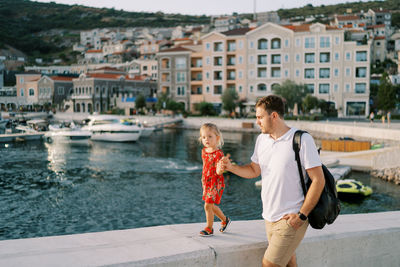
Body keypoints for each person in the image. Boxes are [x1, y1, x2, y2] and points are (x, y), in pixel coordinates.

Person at [220, 95, 325, 267]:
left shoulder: (301, 140)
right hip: (268, 217)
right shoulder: (262, 140)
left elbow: (318, 180)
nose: (257, 122)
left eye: (260, 117)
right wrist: (230, 167)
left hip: (291, 218)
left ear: (274, 116)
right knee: (289, 262)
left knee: (269, 264)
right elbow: (254, 171)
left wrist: (302, 215)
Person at [198, 123, 231, 237]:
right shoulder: (204, 151)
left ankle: (209, 228)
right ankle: (225, 220)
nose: (206, 139)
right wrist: (203, 179)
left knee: (207, 205)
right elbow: (204, 166)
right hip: (206, 182)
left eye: (210, 136)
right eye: (204, 137)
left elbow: (218, 172)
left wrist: (221, 168)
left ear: (217, 138)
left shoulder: (218, 154)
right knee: (211, 205)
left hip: (215, 182)